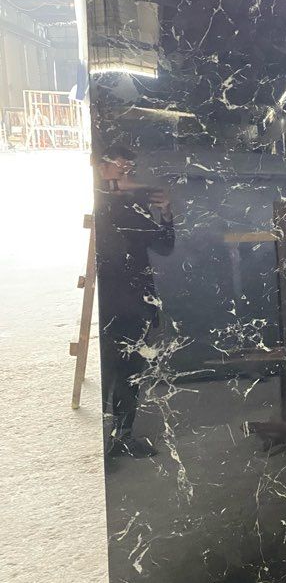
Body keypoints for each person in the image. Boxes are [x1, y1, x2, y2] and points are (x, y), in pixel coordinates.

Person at [95, 144, 175, 457]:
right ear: (102, 169)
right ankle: (100, 444)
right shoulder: (98, 204)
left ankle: (122, 436)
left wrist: (165, 214)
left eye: (130, 169)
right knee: (105, 372)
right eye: (120, 167)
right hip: (106, 302)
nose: (126, 175)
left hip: (135, 301)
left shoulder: (132, 207)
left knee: (130, 372)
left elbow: (164, 246)